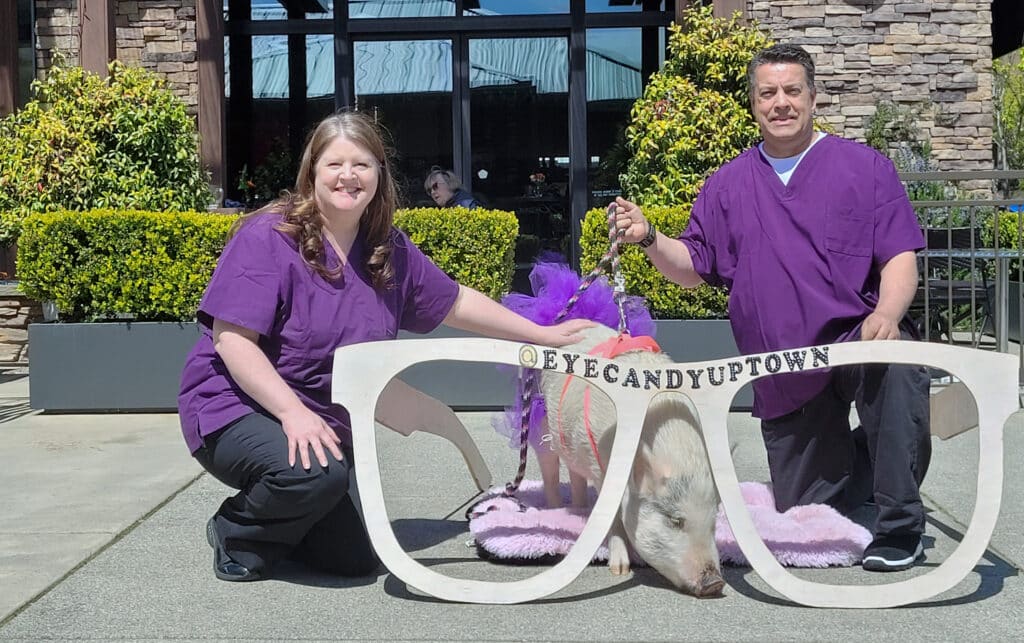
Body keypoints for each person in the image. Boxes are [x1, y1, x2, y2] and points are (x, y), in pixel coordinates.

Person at [178, 111, 592, 583]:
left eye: (362, 164)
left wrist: (538, 334)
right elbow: (232, 342)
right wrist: (292, 414)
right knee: (314, 477)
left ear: (379, 173)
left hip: (323, 416)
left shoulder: (386, 248)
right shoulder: (269, 237)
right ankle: (237, 529)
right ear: (312, 170)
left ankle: (288, 513)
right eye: (334, 164)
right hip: (237, 405)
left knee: (352, 560)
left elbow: (454, 301)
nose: (348, 176)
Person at [611, 43, 931, 572]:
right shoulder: (728, 183)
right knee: (810, 510)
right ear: (754, 104)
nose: (780, 103)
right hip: (784, 368)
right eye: (767, 93)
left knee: (897, 374)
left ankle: (901, 527)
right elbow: (692, 267)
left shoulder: (864, 168)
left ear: (812, 97)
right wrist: (648, 237)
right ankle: (869, 460)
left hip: (858, 342)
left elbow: (899, 255)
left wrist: (890, 312)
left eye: (791, 91)